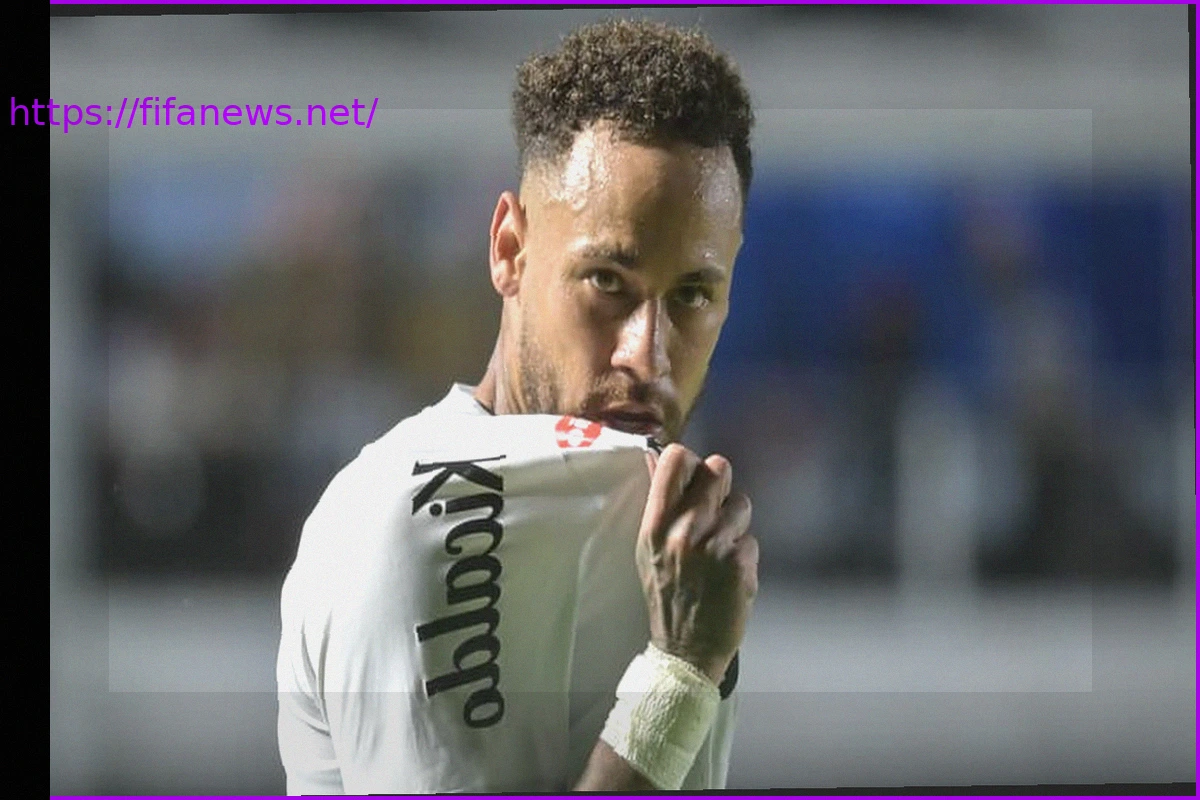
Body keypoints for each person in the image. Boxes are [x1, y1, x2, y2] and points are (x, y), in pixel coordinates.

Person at [276, 18, 759, 793]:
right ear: (509, 249)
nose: (647, 354)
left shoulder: (671, 542)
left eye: (693, 295)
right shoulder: (406, 520)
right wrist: (679, 674)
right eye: (608, 282)